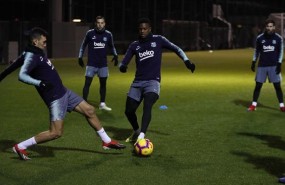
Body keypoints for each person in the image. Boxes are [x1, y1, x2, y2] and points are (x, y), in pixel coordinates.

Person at [8, 27, 125, 161]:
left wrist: (15, 62)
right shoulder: (33, 56)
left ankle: (107, 141)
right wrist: (40, 83)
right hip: (55, 98)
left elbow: (21, 59)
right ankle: (21, 146)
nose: (46, 44)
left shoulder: (36, 52)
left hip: (64, 91)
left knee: (90, 110)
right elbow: (22, 76)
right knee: (56, 132)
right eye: (44, 42)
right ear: (35, 42)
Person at [119, 18, 196, 143]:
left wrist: (187, 61)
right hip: (137, 83)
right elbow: (124, 61)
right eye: (140, 29)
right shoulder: (134, 45)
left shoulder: (158, 40)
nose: (142, 31)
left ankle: (141, 136)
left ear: (150, 29)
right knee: (129, 111)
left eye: (145, 29)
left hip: (153, 82)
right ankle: (137, 130)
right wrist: (122, 67)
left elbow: (177, 49)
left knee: (147, 106)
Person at [78, 16, 118, 111]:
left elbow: (112, 46)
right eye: (98, 23)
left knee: (103, 84)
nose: (100, 25)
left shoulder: (108, 34)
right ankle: (84, 103)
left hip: (103, 64)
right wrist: (80, 57)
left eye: (102, 23)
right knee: (87, 83)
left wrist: (115, 55)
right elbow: (83, 45)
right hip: (91, 64)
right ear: (96, 23)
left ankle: (102, 104)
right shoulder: (90, 33)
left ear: (104, 24)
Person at [247, 19, 285, 112]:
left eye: (271, 26)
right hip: (262, 65)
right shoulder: (260, 38)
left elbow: (281, 51)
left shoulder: (278, 38)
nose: (269, 28)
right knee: (258, 86)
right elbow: (257, 51)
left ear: (274, 27)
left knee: (277, 86)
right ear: (265, 27)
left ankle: (282, 106)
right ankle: (253, 105)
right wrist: (253, 61)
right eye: (268, 26)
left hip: (273, 65)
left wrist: (279, 63)